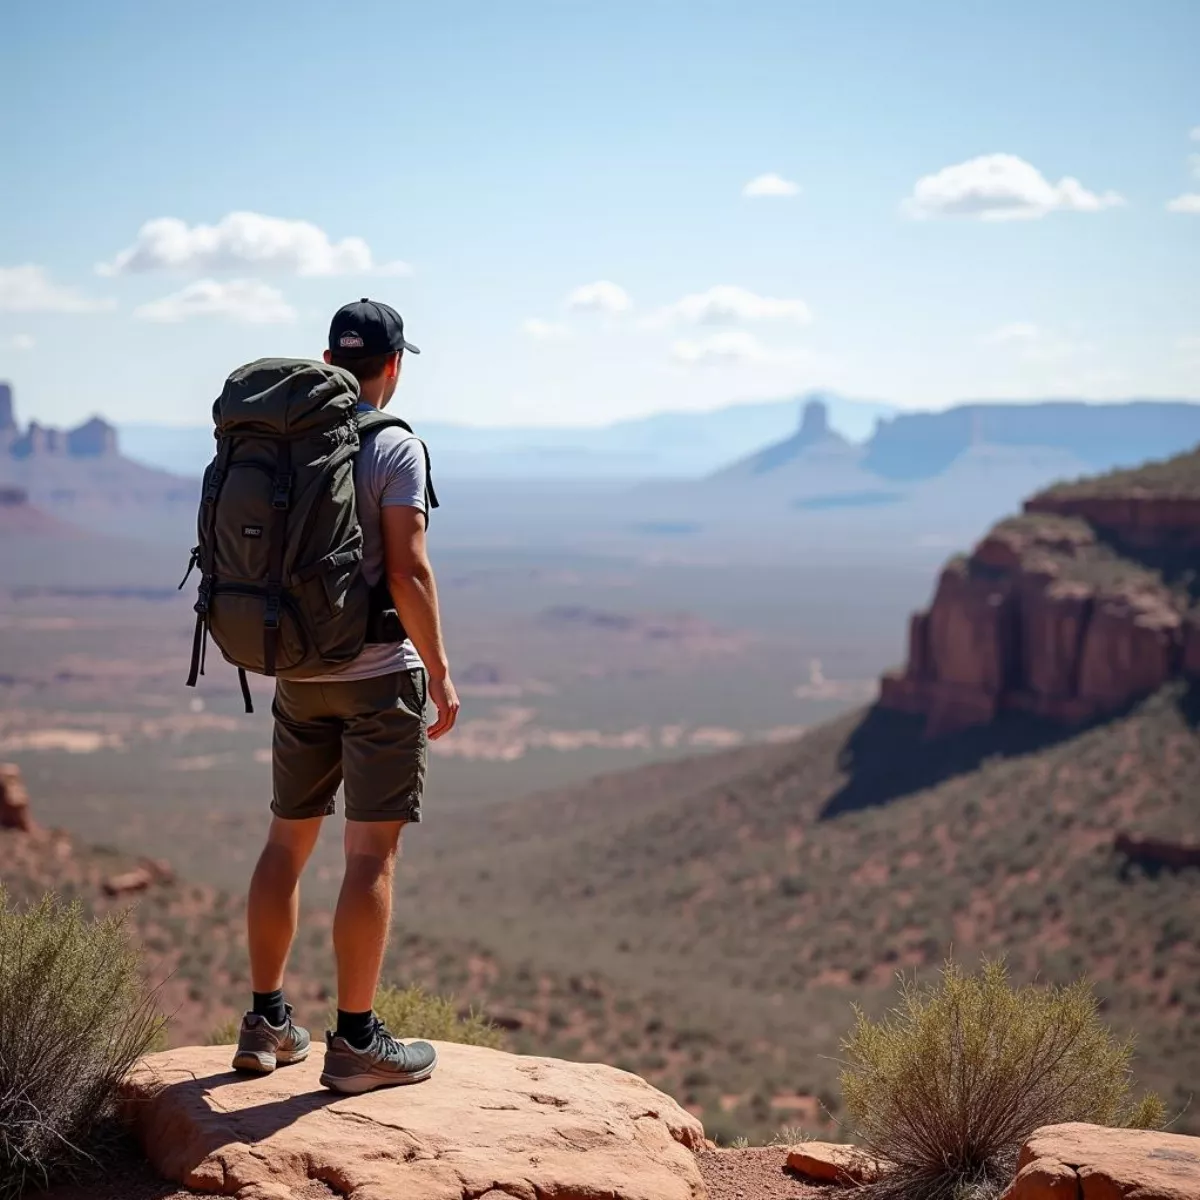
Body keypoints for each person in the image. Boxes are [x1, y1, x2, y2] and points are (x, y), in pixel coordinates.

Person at [231, 299, 460, 1094]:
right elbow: (407, 571)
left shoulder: (292, 443)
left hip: (297, 673)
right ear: (393, 367)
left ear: (328, 359)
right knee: (369, 855)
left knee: (284, 844)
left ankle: (265, 1023)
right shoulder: (394, 446)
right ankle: (356, 1044)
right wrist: (439, 667)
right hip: (375, 677)